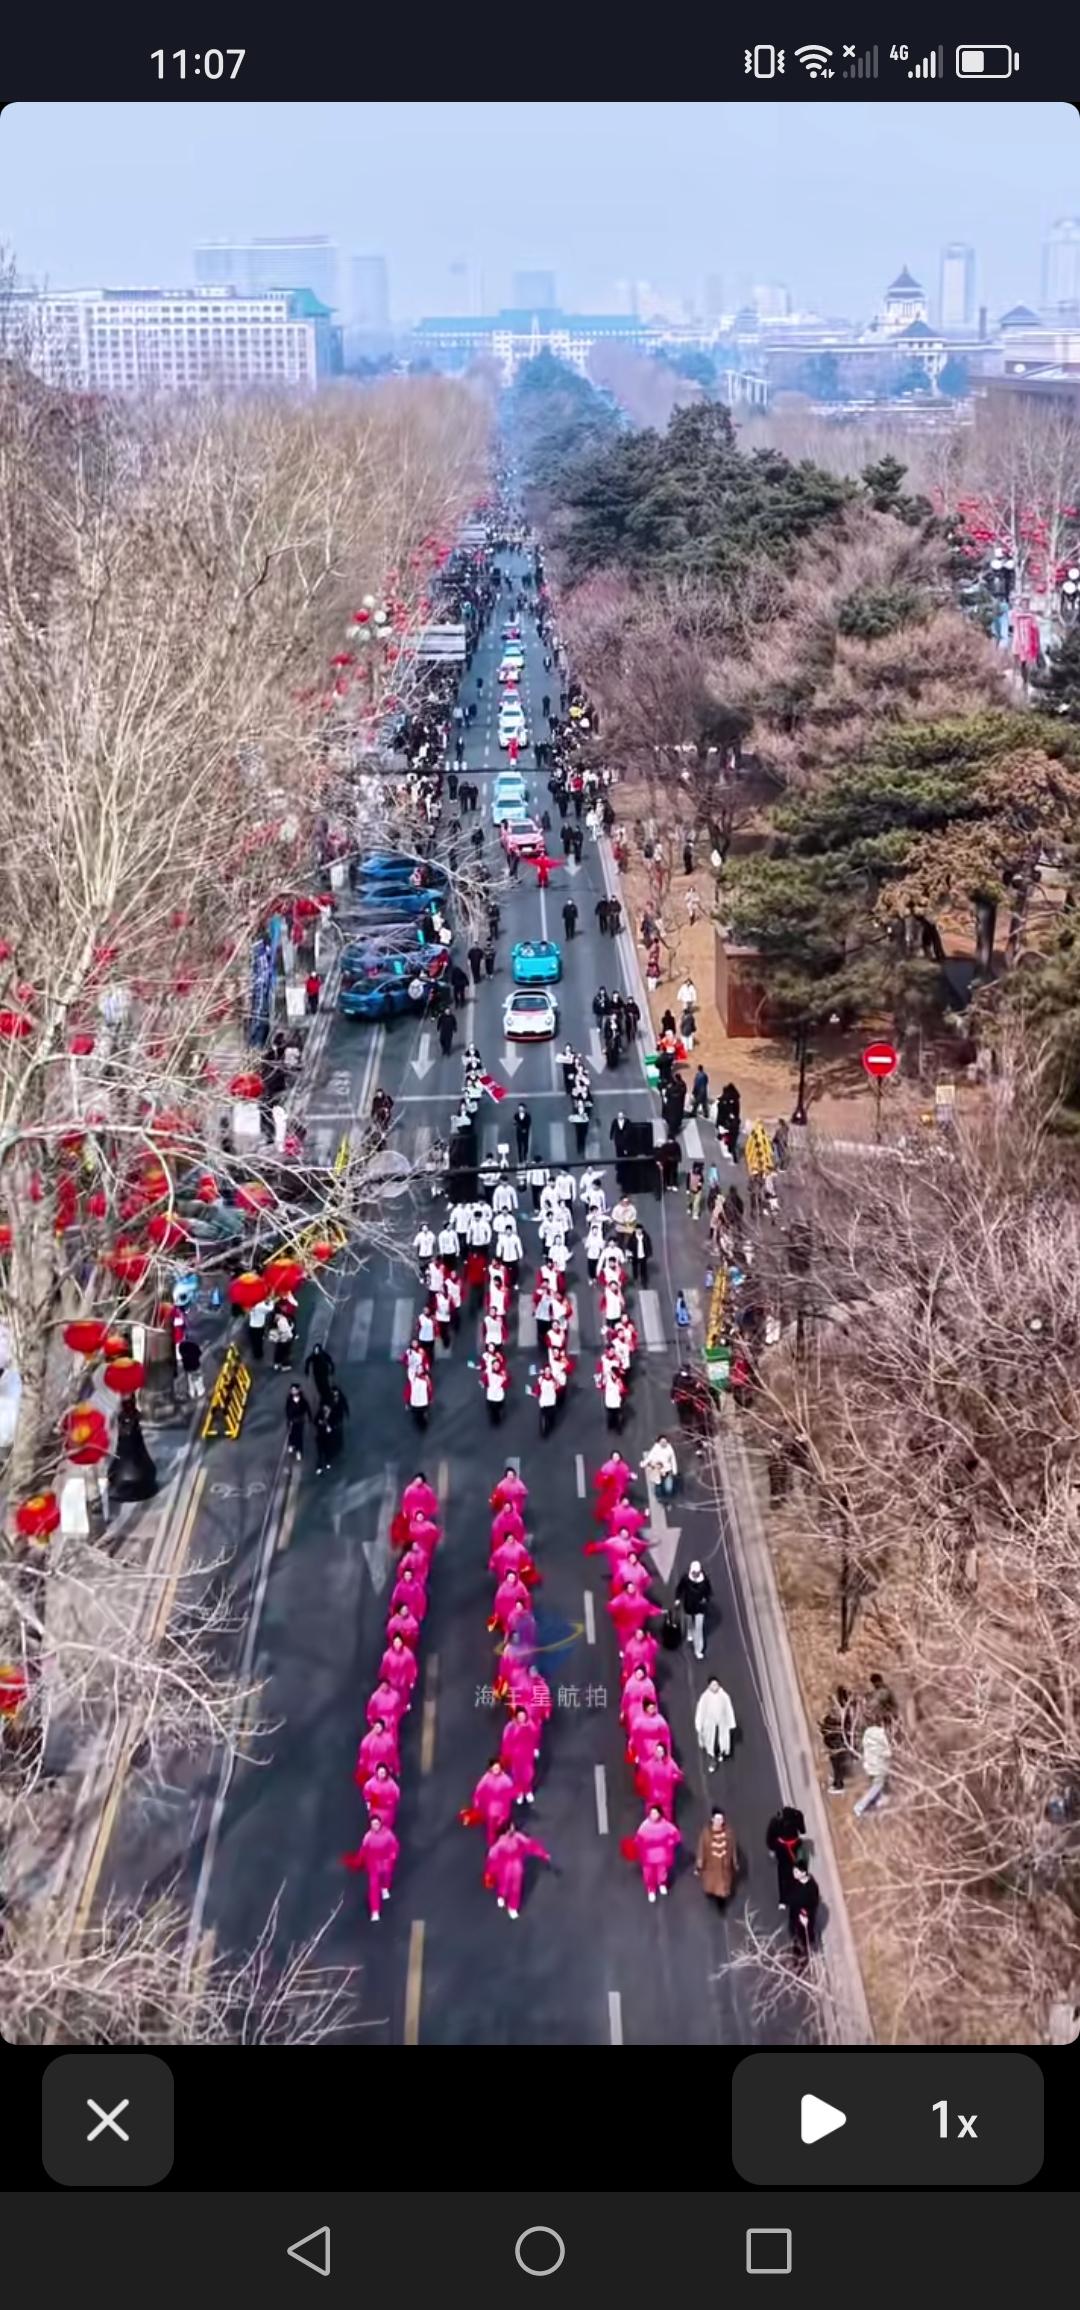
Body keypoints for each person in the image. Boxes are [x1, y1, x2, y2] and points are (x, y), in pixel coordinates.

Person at [484, 1825, 552, 1920]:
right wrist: (543, 1854)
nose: (513, 1828)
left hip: (509, 1868)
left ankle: (507, 1902)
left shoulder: (505, 1842)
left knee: (510, 1886)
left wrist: (489, 1872)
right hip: (511, 1868)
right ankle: (507, 1902)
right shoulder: (509, 1841)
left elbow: (492, 1860)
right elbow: (531, 1846)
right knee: (510, 1887)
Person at [344, 1817, 399, 1922]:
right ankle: (375, 1911)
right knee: (373, 1887)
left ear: (380, 1824)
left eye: (377, 1824)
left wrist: (392, 1856)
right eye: (373, 1824)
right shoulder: (368, 1837)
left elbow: (394, 1846)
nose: (375, 1826)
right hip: (373, 1865)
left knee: (386, 1877)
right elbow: (363, 1851)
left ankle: (385, 1888)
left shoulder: (388, 1835)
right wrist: (358, 1862)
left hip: (385, 1863)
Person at [628, 1805, 681, 1902]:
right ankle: (651, 1890)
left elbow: (676, 1836)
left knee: (662, 1873)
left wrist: (669, 1843)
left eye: (655, 1813)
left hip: (662, 1856)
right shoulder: (644, 1826)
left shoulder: (666, 1825)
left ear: (660, 1814)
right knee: (648, 1875)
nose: (653, 1815)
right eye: (652, 1813)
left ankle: (662, 1884)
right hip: (648, 1857)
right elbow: (638, 1841)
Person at [463, 1757, 516, 1845]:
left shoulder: (505, 1779)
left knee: (501, 1823)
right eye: (494, 1768)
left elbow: (511, 1791)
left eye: (497, 1768)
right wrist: (477, 1801)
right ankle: (492, 1841)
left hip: (502, 1807)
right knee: (492, 1826)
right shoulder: (487, 1778)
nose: (496, 1770)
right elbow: (479, 1790)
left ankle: (499, 1835)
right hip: (491, 1808)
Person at [766, 1805, 808, 1909]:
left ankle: (784, 1900)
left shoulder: (775, 1821)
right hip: (793, 1846)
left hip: (783, 1849)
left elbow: (770, 1836)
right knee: (799, 1870)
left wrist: (771, 1848)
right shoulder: (797, 1816)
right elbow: (802, 1830)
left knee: (783, 1874)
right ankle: (795, 1895)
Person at [694, 1677, 737, 1771]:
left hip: (722, 1723)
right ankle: (712, 1759)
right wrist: (699, 1726)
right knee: (711, 1742)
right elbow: (700, 1712)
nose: (715, 1687)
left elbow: (729, 1709)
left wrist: (731, 1723)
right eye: (712, 1685)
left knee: (722, 1740)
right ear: (709, 1686)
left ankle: (721, 1753)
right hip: (709, 1724)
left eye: (716, 1684)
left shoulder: (724, 1696)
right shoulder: (704, 1697)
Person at [675, 1559, 712, 1660]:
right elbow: (680, 1588)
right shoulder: (686, 1579)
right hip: (689, 1605)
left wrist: (705, 1599)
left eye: (697, 1573)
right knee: (689, 1621)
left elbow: (709, 1592)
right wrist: (678, 1598)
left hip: (700, 1608)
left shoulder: (704, 1581)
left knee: (699, 1629)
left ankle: (698, 1649)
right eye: (694, 1572)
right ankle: (689, 1632)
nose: (695, 1574)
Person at [853, 1721, 892, 1817]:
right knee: (878, 1787)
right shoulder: (879, 1734)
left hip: (872, 1767)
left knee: (878, 1788)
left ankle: (867, 1807)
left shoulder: (868, 1735)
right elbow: (887, 1753)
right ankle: (861, 1807)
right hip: (877, 1767)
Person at [820, 1686, 853, 1795]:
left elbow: (844, 1726)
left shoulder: (847, 1713)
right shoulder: (846, 1712)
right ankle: (837, 1780)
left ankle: (838, 1782)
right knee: (836, 1757)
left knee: (837, 1757)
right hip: (841, 1740)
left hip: (843, 1741)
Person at [788, 1863, 820, 1965]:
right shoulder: (794, 1882)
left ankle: (805, 1955)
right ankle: (795, 1954)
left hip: (805, 1918)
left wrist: (806, 1915)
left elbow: (814, 1903)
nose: (794, 1874)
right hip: (794, 1915)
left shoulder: (811, 1886)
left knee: (804, 1936)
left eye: (796, 1872)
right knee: (794, 1934)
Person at [641, 1434, 677, 1500]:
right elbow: (650, 1457)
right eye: (662, 1442)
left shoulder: (669, 1449)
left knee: (668, 1488)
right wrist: (644, 1463)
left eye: (665, 1442)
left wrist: (674, 1471)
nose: (663, 1443)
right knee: (658, 1485)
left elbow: (673, 1460)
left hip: (667, 1470)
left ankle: (668, 1497)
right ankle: (659, 1497)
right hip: (657, 1470)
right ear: (659, 1442)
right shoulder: (656, 1448)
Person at [284, 1383, 310, 1463]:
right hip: (291, 1421)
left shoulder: (302, 1400)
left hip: (299, 1421)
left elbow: (307, 1408)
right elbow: (287, 1410)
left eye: (295, 1390)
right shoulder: (289, 1400)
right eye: (292, 1390)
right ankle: (292, 1445)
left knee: (299, 1436)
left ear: (298, 1390)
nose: (293, 1391)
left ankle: (299, 1451)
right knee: (291, 1434)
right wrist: (289, 1418)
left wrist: (309, 1417)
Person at [304, 1340, 335, 1406]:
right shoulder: (313, 1356)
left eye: (317, 1350)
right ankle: (323, 1399)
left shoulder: (324, 1355)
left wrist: (332, 1369)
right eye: (315, 1350)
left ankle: (329, 1400)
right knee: (320, 1387)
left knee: (325, 1386)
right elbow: (308, 1362)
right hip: (317, 1374)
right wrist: (306, 1371)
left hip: (324, 1373)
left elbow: (330, 1361)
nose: (316, 1351)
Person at [177, 1333, 205, 1401]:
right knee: (198, 1379)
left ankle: (191, 1393)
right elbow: (199, 1353)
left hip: (188, 1367)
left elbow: (180, 1358)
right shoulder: (193, 1345)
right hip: (196, 1365)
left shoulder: (181, 1346)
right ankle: (200, 1392)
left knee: (190, 1381)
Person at [269, 1304, 295, 1370]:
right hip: (285, 1340)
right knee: (285, 1353)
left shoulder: (273, 1320)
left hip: (279, 1340)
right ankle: (284, 1365)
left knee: (278, 1352)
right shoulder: (282, 1320)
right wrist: (290, 1329)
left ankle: (277, 1363)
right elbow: (285, 1331)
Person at [247, 1293, 270, 1361]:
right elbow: (269, 1309)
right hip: (259, 1326)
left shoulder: (251, 1304)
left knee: (254, 1341)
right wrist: (270, 1302)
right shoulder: (260, 1306)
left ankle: (255, 1353)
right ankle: (259, 1354)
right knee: (259, 1341)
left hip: (252, 1325)